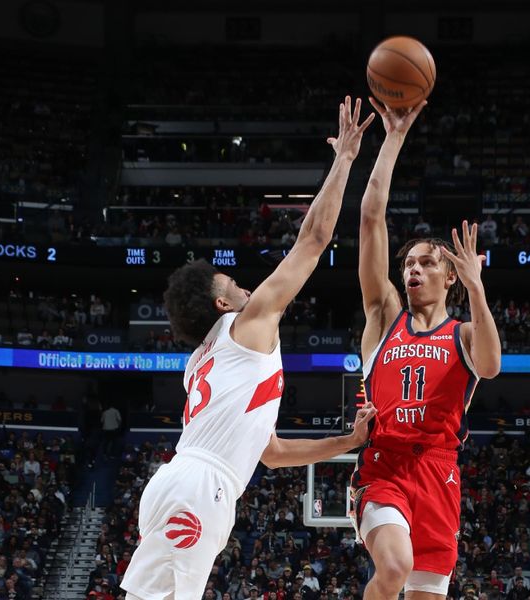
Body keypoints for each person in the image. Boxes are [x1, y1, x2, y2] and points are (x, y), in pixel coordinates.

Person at [121, 97, 377, 600]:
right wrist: (344, 159)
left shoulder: (202, 362)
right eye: (234, 282)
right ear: (222, 303)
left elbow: (274, 453)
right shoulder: (246, 325)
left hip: (183, 480)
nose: (245, 288)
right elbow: (314, 239)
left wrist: (347, 442)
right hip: (199, 486)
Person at [350, 97, 501, 600]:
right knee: (393, 567)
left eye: (426, 263)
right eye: (408, 263)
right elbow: (372, 220)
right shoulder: (384, 317)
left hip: (440, 474)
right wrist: (392, 139)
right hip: (385, 467)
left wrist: (478, 290)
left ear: (451, 275)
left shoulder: (462, 333)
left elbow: (492, 366)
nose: (413, 269)